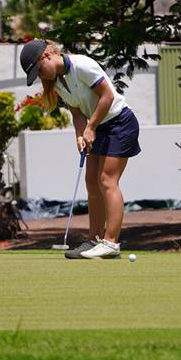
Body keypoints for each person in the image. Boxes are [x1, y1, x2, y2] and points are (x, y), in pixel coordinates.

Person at [20, 39, 141, 259]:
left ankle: (111, 243)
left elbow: (108, 96)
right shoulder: (57, 83)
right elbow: (77, 113)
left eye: (39, 70)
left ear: (46, 56)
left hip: (120, 123)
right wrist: (80, 135)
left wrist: (91, 127)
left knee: (106, 180)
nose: (40, 76)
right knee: (91, 182)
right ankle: (93, 240)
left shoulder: (82, 65)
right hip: (99, 126)